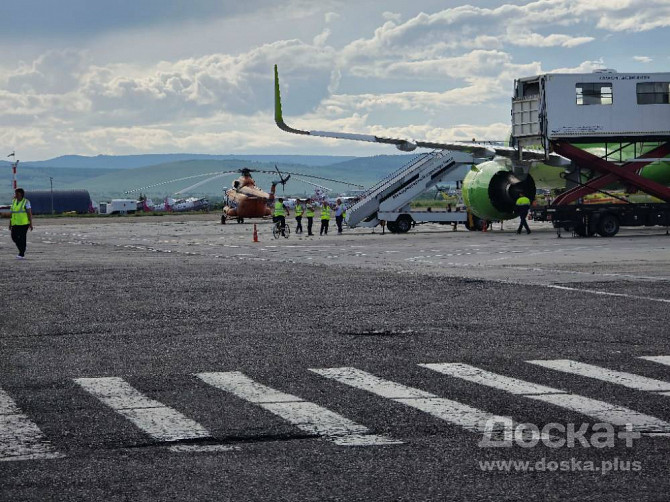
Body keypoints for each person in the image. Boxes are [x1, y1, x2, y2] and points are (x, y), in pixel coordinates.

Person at [9, 188, 33, 259]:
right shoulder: (13, 201)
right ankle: (22, 248)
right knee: (14, 237)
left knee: (22, 238)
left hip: (24, 223)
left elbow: (29, 213)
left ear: (21, 194)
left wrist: (31, 224)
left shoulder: (26, 202)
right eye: (15, 193)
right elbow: (12, 214)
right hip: (15, 223)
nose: (15, 195)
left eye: (17, 193)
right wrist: (10, 223)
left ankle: (21, 253)